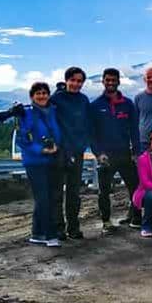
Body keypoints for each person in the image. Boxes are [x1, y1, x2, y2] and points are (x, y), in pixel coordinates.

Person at [90, 68, 141, 232]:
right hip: (106, 156)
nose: (110, 83)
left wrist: (136, 152)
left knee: (135, 186)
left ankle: (136, 216)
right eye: (108, 80)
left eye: (113, 80)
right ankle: (106, 222)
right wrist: (98, 153)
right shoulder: (96, 105)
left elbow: (134, 129)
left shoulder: (128, 104)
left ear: (119, 81)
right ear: (103, 81)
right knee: (104, 191)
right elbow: (92, 133)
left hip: (125, 154)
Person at [17, 82, 62, 247]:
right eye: (38, 93)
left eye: (44, 93)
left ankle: (37, 233)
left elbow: (56, 131)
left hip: (51, 159)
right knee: (44, 198)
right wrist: (41, 150)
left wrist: (56, 145)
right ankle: (50, 235)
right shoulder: (26, 114)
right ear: (32, 96)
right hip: (35, 161)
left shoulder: (52, 111)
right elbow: (22, 140)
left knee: (46, 197)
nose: (42, 96)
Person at [49, 66, 92, 240]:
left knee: (74, 192)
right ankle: (59, 228)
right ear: (66, 80)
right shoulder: (56, 99)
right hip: (58, 152)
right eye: (73, 80)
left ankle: (73, 227)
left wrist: (83, 145)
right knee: (57, 192)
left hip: (77, 151)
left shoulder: (83, 100)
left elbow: (88, 124)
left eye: (79, 81)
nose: (76, 84)